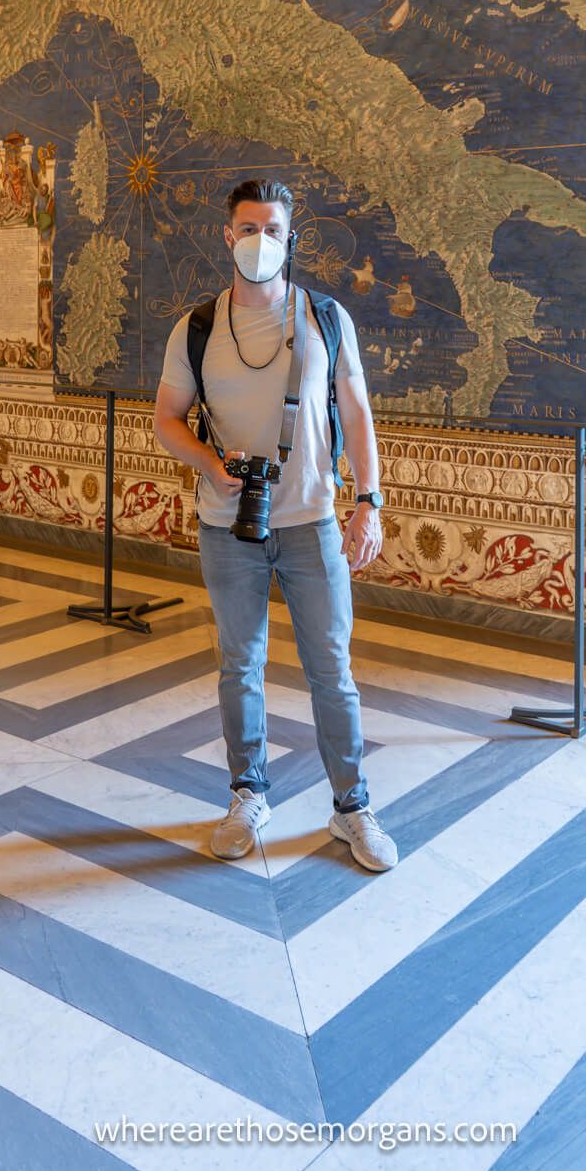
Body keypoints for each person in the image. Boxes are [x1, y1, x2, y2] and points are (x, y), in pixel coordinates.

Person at [154, 178, 398, 873]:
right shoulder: (195, 329)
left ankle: (352, 808)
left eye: (273, 229)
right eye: (248, 227)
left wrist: (368, 500)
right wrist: (210, 463)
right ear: (227, 236)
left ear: (291, 239)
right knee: (241, 665)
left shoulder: (325, 317)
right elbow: (166, 419)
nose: (260, 240)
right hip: (228, 525)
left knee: (332, 671)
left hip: (312, 520)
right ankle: (247, 794)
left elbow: (356, 414)